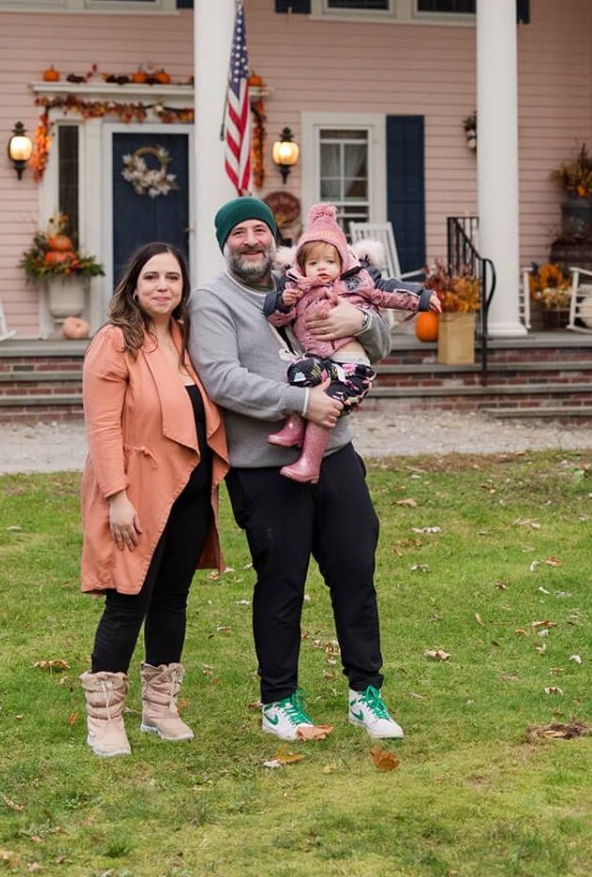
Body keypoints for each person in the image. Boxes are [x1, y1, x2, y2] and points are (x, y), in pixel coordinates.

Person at [188, 196, 405, 743]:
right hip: (263, 466)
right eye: (239, 233)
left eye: (260, 230)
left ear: (275, 238)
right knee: (282, 583)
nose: (252, 241)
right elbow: (221, 379)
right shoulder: (213, 301)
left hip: (337, 455)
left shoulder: (308, 275)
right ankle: (279, 701)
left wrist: (361, 319)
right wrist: (301, 403)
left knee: (355, 571)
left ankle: (365, 693)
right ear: (225, 244)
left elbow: (375, 345)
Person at [79, 242, 228, 758]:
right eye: (151, 278)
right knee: (128, 600)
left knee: (172, 598)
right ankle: (104, 718)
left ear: (183, 287)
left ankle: (160, 709)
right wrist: (116, 497)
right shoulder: (116, 341)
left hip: (189, 489)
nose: (162, 286)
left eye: (172, 278)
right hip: (137, 490)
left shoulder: (189, 341)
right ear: (134, 286)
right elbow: (101, 425)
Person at [263, 201, 440, 482]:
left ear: (343, 262)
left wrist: (422, 298)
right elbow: (275, 318)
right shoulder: (295, 289)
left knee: (327, 407)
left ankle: (310, 463)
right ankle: (295, 426)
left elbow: (388, 291)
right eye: (314, 263)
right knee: (299, 372)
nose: (322, 268)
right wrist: (283, 303)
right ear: (301, 265)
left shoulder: (358, 283)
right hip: (321, 363)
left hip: (351, 368)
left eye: (330, 262)